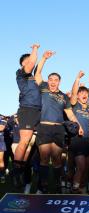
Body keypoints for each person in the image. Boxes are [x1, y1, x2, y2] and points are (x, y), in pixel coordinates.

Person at [34, 50, 84, 193]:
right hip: (44, 128)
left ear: (59, 82)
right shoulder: (43, 88)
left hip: (59, 130)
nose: (53, 82)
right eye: (51, 79)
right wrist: (44, 58)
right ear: (48, 81)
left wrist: (79, 126)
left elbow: (70, 114)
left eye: (55, 80)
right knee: (44, 158)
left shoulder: (64, 97)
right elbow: (37, 74)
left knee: (57, 160)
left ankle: (56, 186)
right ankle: (41, 186)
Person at [13, 43, 41, 187]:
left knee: (31, 144)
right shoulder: (21, 73)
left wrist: (44, 59)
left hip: (38, 110)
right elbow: (31, 64)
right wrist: (35, 49)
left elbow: (38, 69)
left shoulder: (33, 76)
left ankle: (24, 170)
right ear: (24, 63)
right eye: (30, 59)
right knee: (24, 142)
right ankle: (16, 172)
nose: (32, 61)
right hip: (28, 109)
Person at [69, 70, 89, 193]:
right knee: (81, 166)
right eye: (81, 93)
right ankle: (74, 187)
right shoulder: (74, 105)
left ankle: (81, 188)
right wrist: (77, 78)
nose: (84, 95)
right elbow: (73, 93)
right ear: (77, 95)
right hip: (77, 140)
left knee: (86, 167)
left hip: (88, 140)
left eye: (85, 93)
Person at [0, 116, 7, 183]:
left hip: (0, 142)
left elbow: (1, 128)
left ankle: (2, 176)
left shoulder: (2, 120)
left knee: (1, 160)